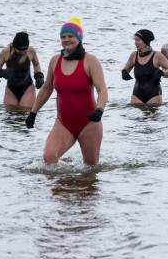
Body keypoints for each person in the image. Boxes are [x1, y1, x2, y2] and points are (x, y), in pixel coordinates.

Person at [25, 18, 109, 165]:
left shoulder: (90, 61)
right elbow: (46, 88)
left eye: (71, 36)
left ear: (79, 38)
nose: (66, 40)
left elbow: (102, 89)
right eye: (63, 37)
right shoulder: (55, 60)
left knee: (90, 171)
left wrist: (100, 109)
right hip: (63, 123)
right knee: (49, 156)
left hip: (89, 123)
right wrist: (33, 112)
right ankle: (58, 188)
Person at [120, 29, 168, 104]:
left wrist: (161, 72)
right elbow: (126, 69)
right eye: (135, 40)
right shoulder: (134, 55)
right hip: (137, 94)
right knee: (133, 115)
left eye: (138, 40)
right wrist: (124, 73)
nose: (135, 43)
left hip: (154, 95)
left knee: (153, 115)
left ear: (145, 41)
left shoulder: (157, 55)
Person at [0, 31, 43, 108]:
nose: (22, 52)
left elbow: (36, 64)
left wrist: (39, 76)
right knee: (10, 114)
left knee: (25, 111)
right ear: (15, 46)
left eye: (24, 50)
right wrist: (2, 72)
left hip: (27, 88)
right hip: (11, 90)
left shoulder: (31, 51)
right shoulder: (6, 52)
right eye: (20, 50)